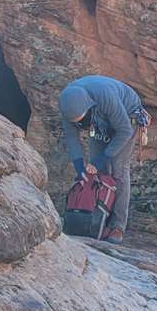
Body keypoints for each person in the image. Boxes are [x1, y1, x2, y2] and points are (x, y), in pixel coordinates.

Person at [59, 75, 150, 244]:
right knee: (97, 171)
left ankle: (117, 226)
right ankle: (98, 218)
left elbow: (124, 131)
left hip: (126, 116)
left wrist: (102, 158)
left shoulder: (106, 97)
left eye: (83, 120)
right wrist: (79, 167)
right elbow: (71, 138)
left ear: (89, 107)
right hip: (99, 120)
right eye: (78, 123)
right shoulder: (67, 104)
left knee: (118, 168)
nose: (81, 125)